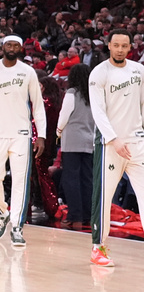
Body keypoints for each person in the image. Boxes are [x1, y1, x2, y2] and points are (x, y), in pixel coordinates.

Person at [0, 35, 46, 247]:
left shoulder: (28, 72)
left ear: (21, 48)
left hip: (21, 134)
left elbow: (38, 105)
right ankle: (3, 213)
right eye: (9, 44)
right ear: (2, 47)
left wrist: (41, 135)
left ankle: (17, 226)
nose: (12, 48)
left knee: (20, 181)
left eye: (16, 45)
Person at [87, 29, 144, 267]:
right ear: (109, 45)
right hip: (109, 145)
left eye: (124, 45)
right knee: (103, 196)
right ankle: (98, 247)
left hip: (137, 142)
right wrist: (113, 139)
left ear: (130, 47)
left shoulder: (139, 70)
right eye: (116, 45)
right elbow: (98, 111)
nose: (120, 49)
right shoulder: (99, 73)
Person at [55, 63, 94, 231]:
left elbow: (64, 116)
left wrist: (58, 131)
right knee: (87, 179)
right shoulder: (94, 94)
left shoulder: (71, 93)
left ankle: (74, 216)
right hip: (89, 140)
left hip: (72, 140)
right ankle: (87, 216)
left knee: (71, 179)